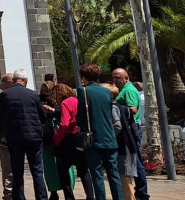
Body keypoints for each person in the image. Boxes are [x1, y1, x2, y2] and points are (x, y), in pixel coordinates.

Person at [0, 69, 47, 200]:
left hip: (15, 138)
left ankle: (19, 197)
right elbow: (42, 116)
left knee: (17, 171)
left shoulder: (5, 95)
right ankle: (42, 197)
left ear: (14, 80)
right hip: (34, 137)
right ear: (25, 81)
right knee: (37, 170)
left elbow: (1, 117)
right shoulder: (33, 94)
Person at [77, 65, 121, 200]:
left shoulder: (82, 91)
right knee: (114, 174)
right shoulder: (107, 92)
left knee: (97, 174)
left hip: (93, 139)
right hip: (110, 138)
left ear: (84, 77)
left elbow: (80, 117)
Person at [50, 83, 94, 200]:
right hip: (81, 138)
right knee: (84, 170)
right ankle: (90, 196)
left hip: (70, 139)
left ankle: (69, 196)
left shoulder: (65, 103)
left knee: (62, 168)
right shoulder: (76, 100)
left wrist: (57, 138)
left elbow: (65, 123)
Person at [111, 69, 148, 200]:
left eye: (117, 77)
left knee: (136, 161)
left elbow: (133, 109)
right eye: (113, 77)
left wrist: (116, 107)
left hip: (132, 128)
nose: (114, 80)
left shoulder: (129, 90)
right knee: (134, 161)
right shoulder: (124, 90)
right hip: (129, 128)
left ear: (126, 78)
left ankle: (142, 193)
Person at [0, 73, 15, 200]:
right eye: (13, 82)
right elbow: (1, 118)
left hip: (7, 138)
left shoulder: (3, 94)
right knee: (8, 169)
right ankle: (9, 195)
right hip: (4, 139)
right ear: (7, 83)